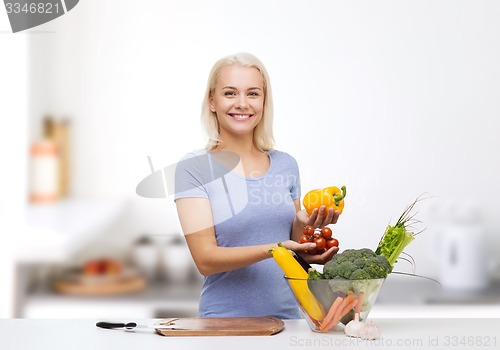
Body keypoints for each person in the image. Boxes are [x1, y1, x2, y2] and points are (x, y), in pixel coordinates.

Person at [174, 52, 340, 319]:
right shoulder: (194, 168)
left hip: (290, 319)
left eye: (252, 94)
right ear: (212, 101)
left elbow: (293, 250)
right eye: (230, 93)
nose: (242, 104)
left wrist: (304, 226)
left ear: (264, 102)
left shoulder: (286, 164)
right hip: (225, 323)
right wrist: (274, 248)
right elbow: (205, 260)